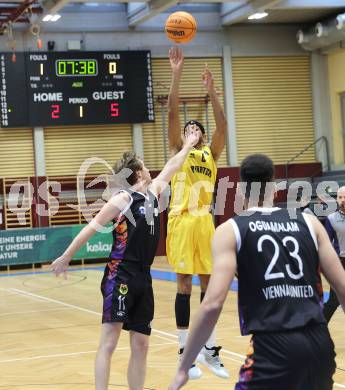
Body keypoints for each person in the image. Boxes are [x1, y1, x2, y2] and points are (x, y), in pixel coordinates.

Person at [169, 153, 345, 390]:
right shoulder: (310, 223)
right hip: (320, 345)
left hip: (272, 347)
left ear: (241, 190)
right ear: (274, 188)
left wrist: (184, 367)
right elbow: (342, 287)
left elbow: (211, 304)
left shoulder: (230, 230)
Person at [51, 131, 198, 390]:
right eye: (143, 165)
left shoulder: (153, 194)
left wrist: (187, 144)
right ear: (138, 173)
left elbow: (172, 165)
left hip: (144, 276)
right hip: (120, 274)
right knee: (109, 341)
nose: (149, 169)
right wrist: (66, 256)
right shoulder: (124, 199)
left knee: (141, 344)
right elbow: (92, 227)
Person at [166, 45, 229, 379]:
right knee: (184, 286)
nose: (191, 128)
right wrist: (176, 75)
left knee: (210, 287)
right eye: (188, 127)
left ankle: (209, 348)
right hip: (180, 218)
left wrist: (212, 92)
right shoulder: (180, 150)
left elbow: (222, 125)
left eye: (197, 126)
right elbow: (174, 115)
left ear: (202, 134)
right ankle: (183, 353)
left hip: (204, 220)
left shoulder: (210, 153)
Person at [323, 185, 345, 322]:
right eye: (340, 197)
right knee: (333, 300)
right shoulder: (331, 219)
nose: (343, 200)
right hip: (340, 263)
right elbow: (325, 242)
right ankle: (318, 328)